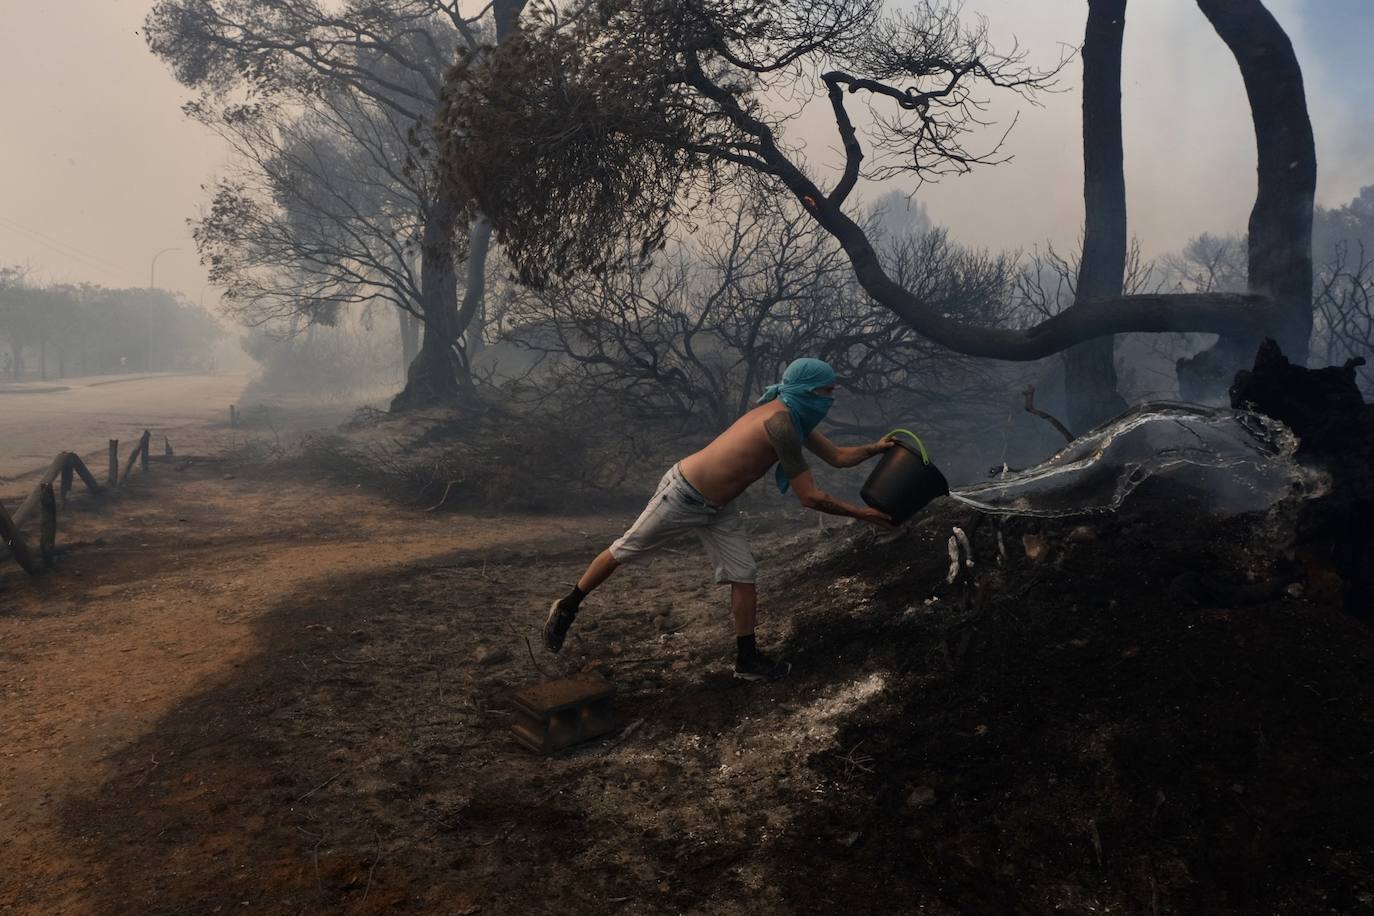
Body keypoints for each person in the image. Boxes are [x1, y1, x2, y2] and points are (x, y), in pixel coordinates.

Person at [543, 357, 896, 681]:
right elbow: (810, 497)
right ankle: (568, 605)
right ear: (807, 391)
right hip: (683, 493)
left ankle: (747, 661)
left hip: (718, 507)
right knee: (624, 551)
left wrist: (875, 449)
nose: (830, 399)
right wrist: (863, 514)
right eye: (827, 391)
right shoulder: (780, 423)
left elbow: (836, 456)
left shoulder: (795, 417)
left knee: (744, 574)